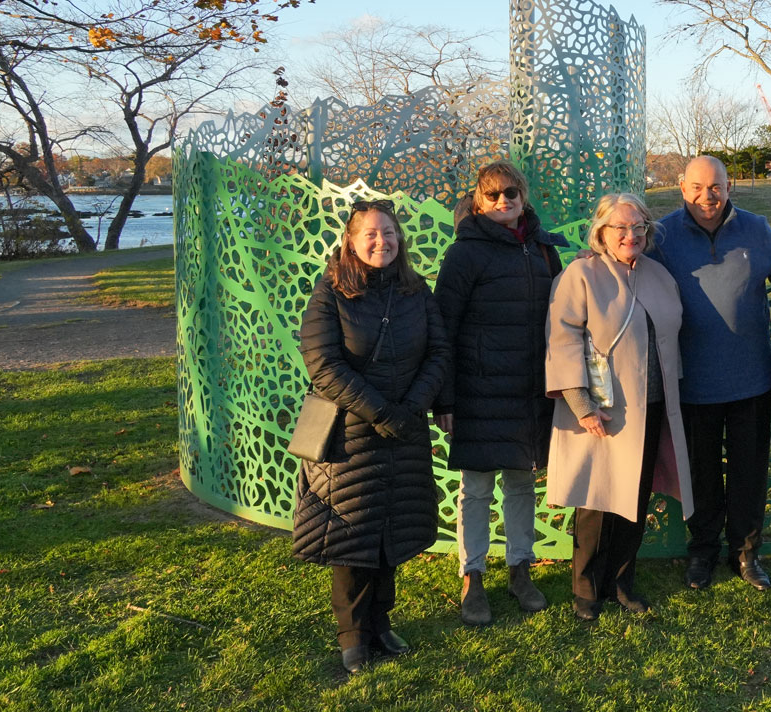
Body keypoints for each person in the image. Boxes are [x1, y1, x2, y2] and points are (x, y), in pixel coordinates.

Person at [292, 198, 450, 674]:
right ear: (352, 241)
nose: (382, 241)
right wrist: (381, 411)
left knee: (393, 527)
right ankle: (352, 635)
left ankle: (380, 623)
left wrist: (411, 407)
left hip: (404, 427)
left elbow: (439, 352)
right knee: (351, 531)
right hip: (349, 433)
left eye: (389, 233)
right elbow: (324, 365)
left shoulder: (415, 290)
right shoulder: (331, 293)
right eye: (371, 234)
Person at [544, 193, 694, 620]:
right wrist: (581, 404)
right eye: (620, 228)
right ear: (601, 232)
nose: (631, 235)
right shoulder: (581, 275)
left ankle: (621, 582)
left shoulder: (659, 275)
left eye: (638, 227)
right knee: (596, 503)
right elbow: (563, 338)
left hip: (651, 410)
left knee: (634, 500)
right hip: (600, 411)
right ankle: (586, 590)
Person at [433, 161, 568, 625]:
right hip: (477, 390)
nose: (503, 201)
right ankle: (472, 576)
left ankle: (519, 569)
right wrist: (444, 399)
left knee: (521, 481)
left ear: (523, 196)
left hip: (529, 390)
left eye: (511, 193)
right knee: (475, 488)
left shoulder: (544, 250)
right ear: (478, 201)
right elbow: (442, 330)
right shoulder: (464, 254)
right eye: (492, 195)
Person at [650, 155, 771, 590]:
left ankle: (746, 554)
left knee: (749, 474)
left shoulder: (756, 229)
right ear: (681, 186)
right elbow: (626, 266)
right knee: (702, 475)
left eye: (716, 187)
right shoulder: (662, 234)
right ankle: (703, 552)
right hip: (691, 382)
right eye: (697, 187)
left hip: (750, 379)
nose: (706, 197)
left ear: (730, 187)